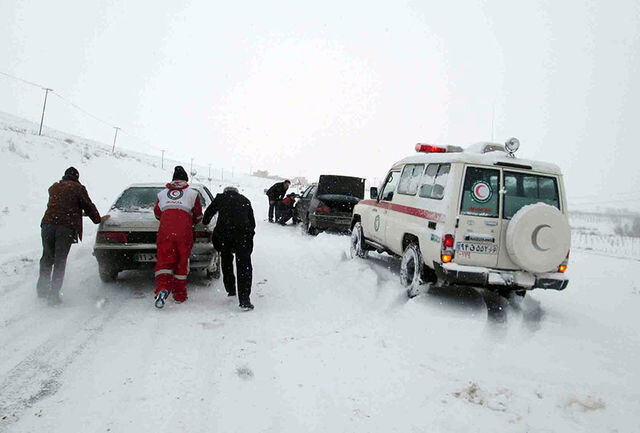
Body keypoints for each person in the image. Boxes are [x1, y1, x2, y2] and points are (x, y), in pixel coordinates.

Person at [38, 167, 108, 304]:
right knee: (59, 260)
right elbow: (88, 206)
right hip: (65, 228)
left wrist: (75, 211)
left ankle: (41, 289)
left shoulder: (54, 188)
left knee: (47, 257)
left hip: (47, 225)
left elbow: (61, 205)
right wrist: (98, 219)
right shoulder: (78, 188)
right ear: (76, 177)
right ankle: (54, 295)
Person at [153, 166, 203, 308]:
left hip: (165, 232)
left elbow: (157, 214)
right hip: (184, 233)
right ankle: (179, 294)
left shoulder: (162, 194)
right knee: (181, 261)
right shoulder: (193, 194)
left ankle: (162, 288)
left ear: (173, 179)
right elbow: (198, 216)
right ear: (186, 179)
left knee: (164, 261)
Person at [203, 186, 256, 311]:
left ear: (225, 191)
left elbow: (208, 215)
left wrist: (206, 222)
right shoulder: (245, 200)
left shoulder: (221, 198)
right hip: (242, 237)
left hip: (224, 237)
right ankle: (244, 300)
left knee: (226, 260)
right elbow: (252, 223)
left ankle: (231, 289)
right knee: (244, 266)